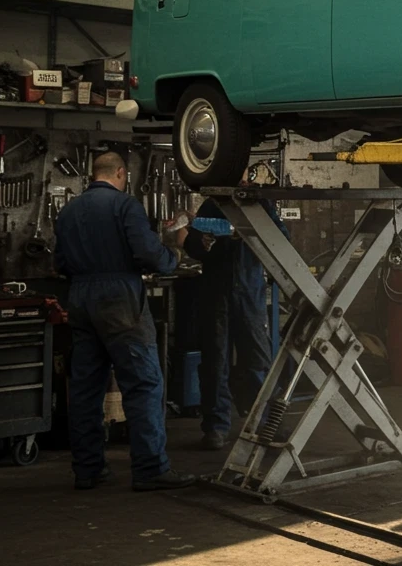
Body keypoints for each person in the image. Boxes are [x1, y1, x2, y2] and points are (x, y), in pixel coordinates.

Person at [54, 151, 196, 491]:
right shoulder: (125, 205)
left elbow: (59, 261)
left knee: (86, 388)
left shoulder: (68, 210)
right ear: (120, 173)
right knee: (144, 382)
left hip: (80, 296)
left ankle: (88, 470)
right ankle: (150, 469)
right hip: (119, 296)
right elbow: (148, 253)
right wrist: (172, 257)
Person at [182, 195, 281, 450]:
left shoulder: (261, 205)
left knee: (258, 359)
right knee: (216, 361)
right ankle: (216, 427)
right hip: (216, 293)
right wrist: (202, 243)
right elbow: (192, 244)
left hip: (249, 292)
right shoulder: (212, 205)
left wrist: (250, 235)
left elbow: (282, 241)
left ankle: (266, 423)